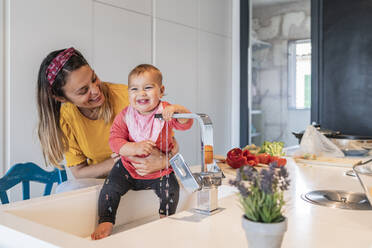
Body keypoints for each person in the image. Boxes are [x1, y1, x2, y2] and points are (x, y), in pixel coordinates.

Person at [36, 47, 178, 190]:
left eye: (94, 78)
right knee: (66, 189)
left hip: (146, 179)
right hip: (107, 184)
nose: (96, 91)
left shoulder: (130, 98)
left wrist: (163, 162)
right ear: (61, 98)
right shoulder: (66, 119)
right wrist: (122, 159)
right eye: (83, 91)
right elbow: (79, 173)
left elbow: (171, 144)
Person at [91, 64, 193, 240]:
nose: (141, 93)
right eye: (134, 89)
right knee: (110, 188)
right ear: (129, 93)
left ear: (161, 91)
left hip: (159, 170)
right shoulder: (125, 115)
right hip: (128, 169)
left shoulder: (166, 111)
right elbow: (114, 140)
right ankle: (106, 220)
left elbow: (186, 123)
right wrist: (133, 147)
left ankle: (165, 218)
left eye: (148, 87)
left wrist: (178, 111)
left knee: (171, 189)